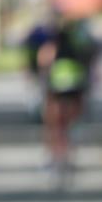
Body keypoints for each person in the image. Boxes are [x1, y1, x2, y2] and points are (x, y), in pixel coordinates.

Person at [37, 19, 91, 175]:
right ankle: (69, 154)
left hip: (56, 91)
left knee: (54, 126)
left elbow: (43, 69)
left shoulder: (50, 49)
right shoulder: (77, 48)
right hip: (75, 91)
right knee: (69, 125)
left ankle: (54, 155)